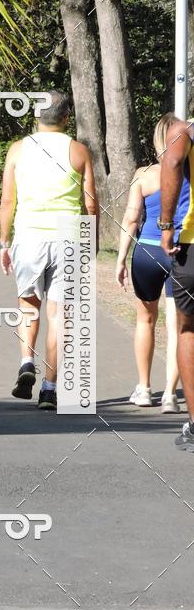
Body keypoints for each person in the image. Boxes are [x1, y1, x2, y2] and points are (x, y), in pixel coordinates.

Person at [0, 90, 99, 410]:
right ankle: (49, 389)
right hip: (68, 236)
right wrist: (90, 241)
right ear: (67, 117)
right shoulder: (78, 151)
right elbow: (90, 202)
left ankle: (27, 361)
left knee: (29, 305)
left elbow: (7, 201)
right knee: (60, 316)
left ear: (36, 116)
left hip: (29, 234)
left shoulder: (18, 150)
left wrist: (4, 241)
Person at [116, 113, 189, 412]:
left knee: (145, 320)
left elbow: (132, 218)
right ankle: (171, 395)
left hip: (146, 252)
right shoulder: (188, 174)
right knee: (177, 326)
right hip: (179, 250)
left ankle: (144, 388)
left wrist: (120, 259)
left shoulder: (143, 175)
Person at [160, 116, 194, 448]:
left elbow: (171, 161)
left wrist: (166, 223)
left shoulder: (184, 131)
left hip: (192, 244)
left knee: (188, 329)